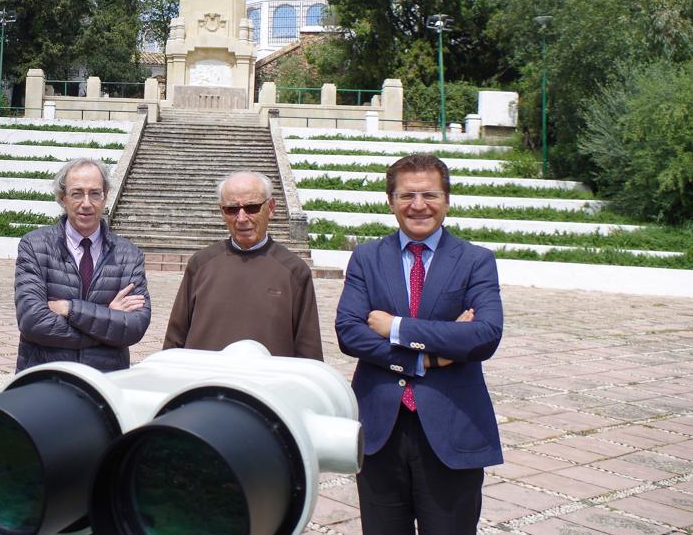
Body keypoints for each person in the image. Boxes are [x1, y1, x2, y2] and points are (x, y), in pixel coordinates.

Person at [334, 153, 504, 535]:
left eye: (430, 194)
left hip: (452, 425)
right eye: (407, 195)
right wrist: (427, 359)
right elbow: (349, 331)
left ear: (447, 199)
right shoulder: (366, 258)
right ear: (390, 201)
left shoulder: (476, 261)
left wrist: (395, 326)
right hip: (380, 429)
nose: (418, 205)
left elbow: (484, 334)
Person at [163, 170, 323, 360]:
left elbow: (308, 352)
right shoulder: (201, 264)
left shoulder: (294, 271)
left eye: (252, 208)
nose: (241, 218)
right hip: (204, 383)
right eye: (232, 209)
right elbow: (175, 339)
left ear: (270, 208)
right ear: (222, 212)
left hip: (266, 386)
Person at [14, 157, 150, 371]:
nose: (86, 203)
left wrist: (70, 308)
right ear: (62, 198)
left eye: (95, 193)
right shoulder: (35, 246)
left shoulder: (129, 255)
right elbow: (32, 321)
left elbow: (135, 327)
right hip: (45, 378)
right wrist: (107, 318)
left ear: (105, 197)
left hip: (105, 381)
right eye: (77, 193)